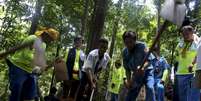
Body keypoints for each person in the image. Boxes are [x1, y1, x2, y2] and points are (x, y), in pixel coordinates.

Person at [5, 28, 59, 101]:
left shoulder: (44, 45)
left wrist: (47, 65)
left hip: (30, 71)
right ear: (45, 35)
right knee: (16, 90)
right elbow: (22, 51)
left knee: (29, 95)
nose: (51, 41)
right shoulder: (33, 38)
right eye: (51, 39)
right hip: (18, 67)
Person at [122, 31, 156, 101]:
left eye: (131, 42)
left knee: (150, 88)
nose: (128, 45)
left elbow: (149, 60)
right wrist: (129, 82)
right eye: (126, 42)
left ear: (135, 41)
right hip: (136, 75)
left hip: (147, 72)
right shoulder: (124, 52)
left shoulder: (142, 46)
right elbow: (127, 69)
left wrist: (143, 67)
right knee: (130, 95)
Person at [174, 25, 200, 101]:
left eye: (187, 34)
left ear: (192, 33)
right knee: (183, 96)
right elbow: (177, 57)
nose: (185, 36)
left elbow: (199, 55)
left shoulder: (198, 42)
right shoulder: (180, 44)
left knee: (194, 95)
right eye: (183, 34)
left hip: (195, 72)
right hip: (181, 73)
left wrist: (192, 64)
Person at [62, 35, 85, 100]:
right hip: (68, 76)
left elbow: (82, 67)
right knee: (65, 94)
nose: (78, 43)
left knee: (72, 95)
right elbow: (64, 62)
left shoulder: (83, 54)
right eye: (77, 41)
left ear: (82, 43)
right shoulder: (69, 51)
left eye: (80, 41)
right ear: (74, 42)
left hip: (77, 77)